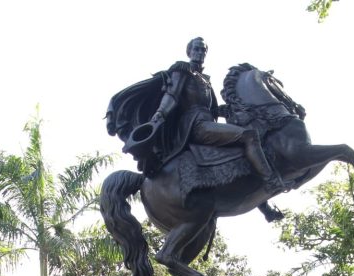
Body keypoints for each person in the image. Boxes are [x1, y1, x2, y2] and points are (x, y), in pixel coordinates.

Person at [108, 37, 281, 189]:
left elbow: (212, 109)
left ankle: (261, 202)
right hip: (195, 125)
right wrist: (159, 115)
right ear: (189, 51)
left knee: (239, 151)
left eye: (203, 49)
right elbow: (172, 96)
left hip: (207, 121)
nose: (200, 52)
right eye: (196, 48)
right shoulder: (182, 70)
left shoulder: (205, 80)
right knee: (249, 136)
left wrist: (232, 109)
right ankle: (271, 180)